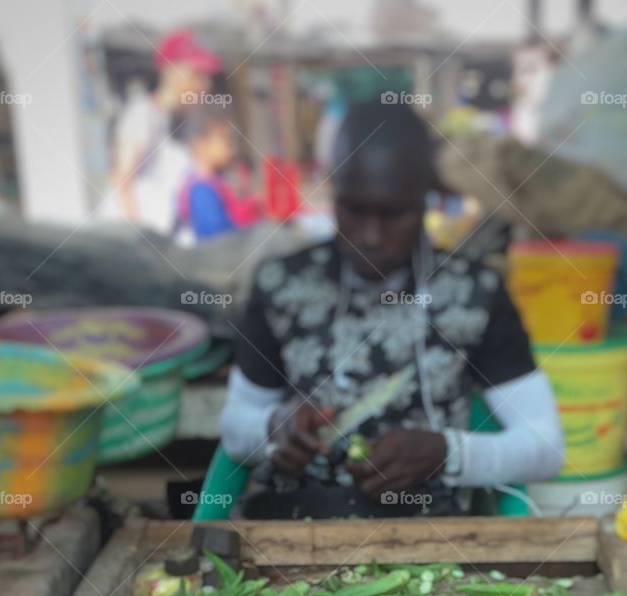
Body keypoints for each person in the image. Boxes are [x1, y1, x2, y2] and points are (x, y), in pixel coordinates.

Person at [220, 99, 564, 518]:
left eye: (393, 214)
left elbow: (546, 447)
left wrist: (446, 453)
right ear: (333, 190)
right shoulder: (283, 285)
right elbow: (235, 428)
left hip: (426, 534)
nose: (370, 236)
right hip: (295, 520)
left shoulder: (475, 293)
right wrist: (272, 429)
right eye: (353, 209)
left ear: (427, 201)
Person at [108, 30, 223, 234]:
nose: (205, 85)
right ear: (171, 71)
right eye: (197, 75)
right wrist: (139, 239)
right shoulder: (141, 114)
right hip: (143, 244)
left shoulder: (185, 121)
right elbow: (122, 182)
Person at [177, 109, 263, 241]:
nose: (232, 148)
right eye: (226, 140)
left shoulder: (218, 180)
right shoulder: (201, 190)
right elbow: (219, 236)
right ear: (201, 146)